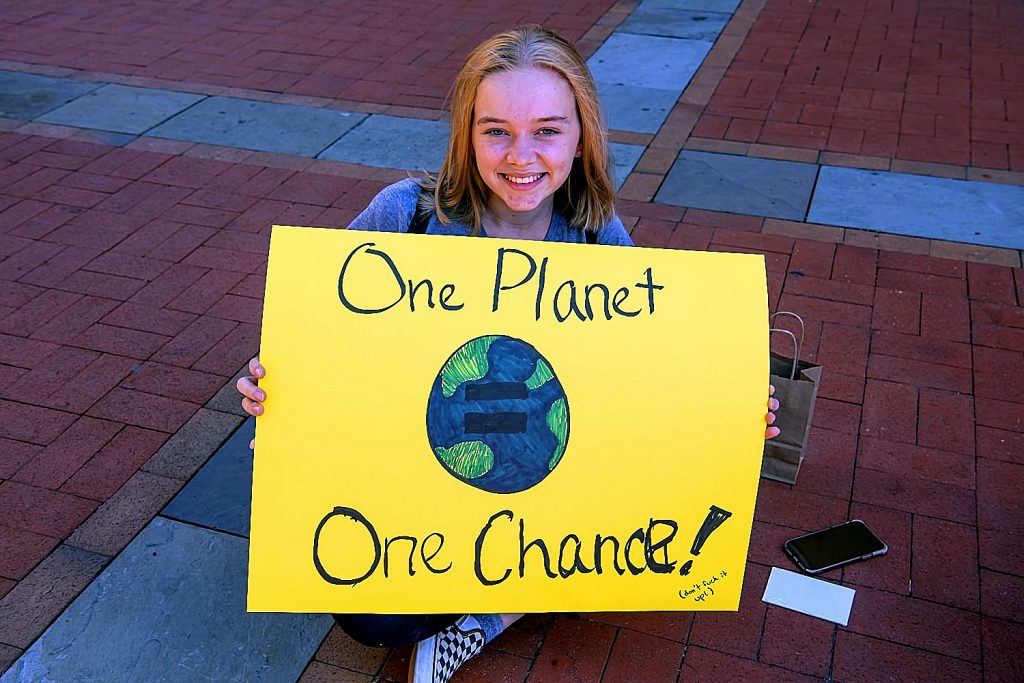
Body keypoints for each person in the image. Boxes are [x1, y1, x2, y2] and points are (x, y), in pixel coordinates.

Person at [237, 24, 780, 683]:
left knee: (634, 544)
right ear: (467, 134)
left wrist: (729, 406)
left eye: (547, 130)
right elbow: (322, 332)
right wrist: (279, 390)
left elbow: (649, 366)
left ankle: (494, 612)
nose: (521, 156)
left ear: (581, 137)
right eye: (496, 130)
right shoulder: (405, 217)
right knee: (372, 619)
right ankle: (522, 586)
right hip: (422, 478)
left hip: (545, 472)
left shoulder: (594, 233)